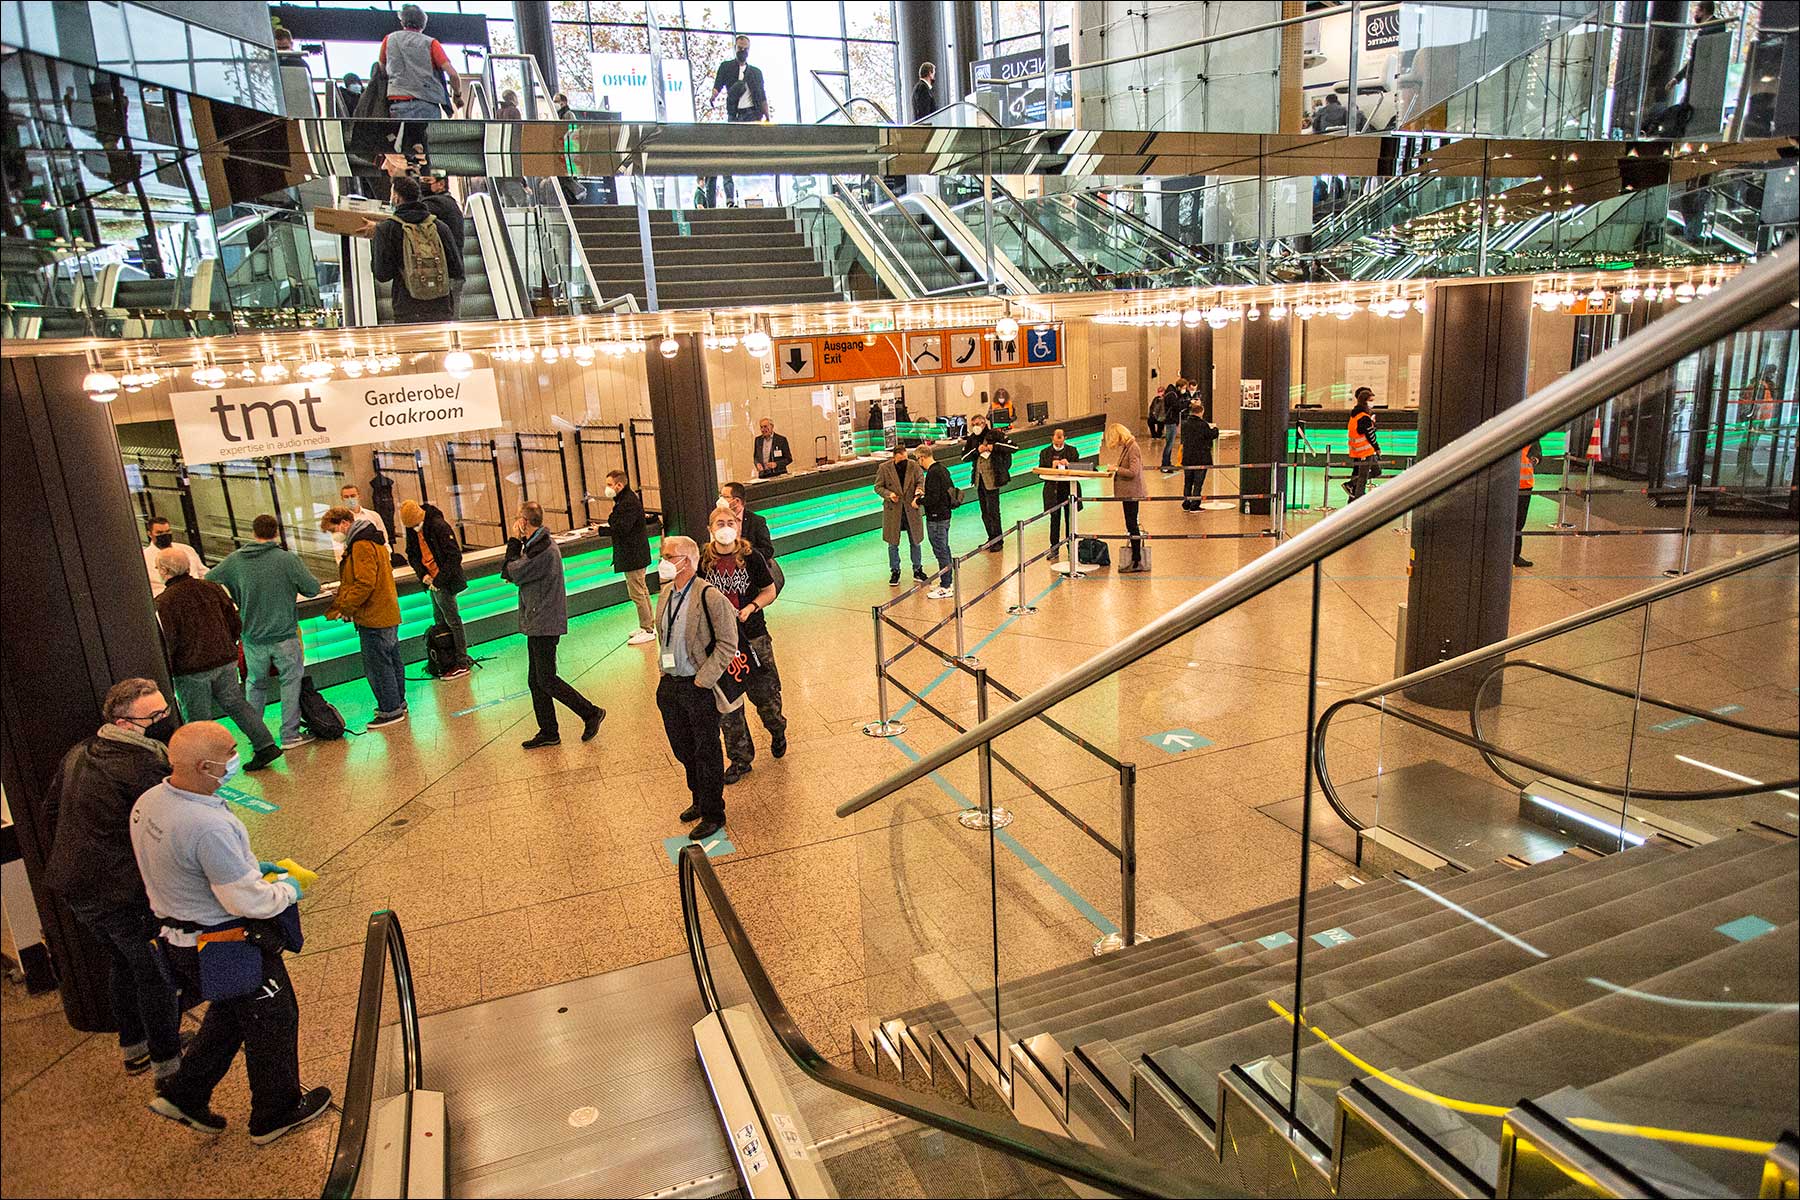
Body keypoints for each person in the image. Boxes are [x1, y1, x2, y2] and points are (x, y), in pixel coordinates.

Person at [132, 721, 331, 1143]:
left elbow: (181, 864)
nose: (236, 757)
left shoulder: (150, 802)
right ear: (205, 766)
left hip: (179, 940)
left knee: (231, 1013)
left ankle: (185, 1093)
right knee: (273, 1017)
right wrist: (288, 889)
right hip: (226, 944)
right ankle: (274, 1114)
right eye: (230, 752)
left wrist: (247, 870)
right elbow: (248, 903)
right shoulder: (207, 825)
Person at [43, 678, 182, 1081]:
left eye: (164, 711)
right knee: (155, 972)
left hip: (75, 886)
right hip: (120, 892)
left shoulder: (79, 753)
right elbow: (168, 826)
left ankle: (134, 1047)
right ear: (124, 723)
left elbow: (51, 810)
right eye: (154, 717)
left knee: (123, 964)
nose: (163, 721)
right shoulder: (144, 765)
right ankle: (167, 1065)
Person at [153, 551, 282, 771]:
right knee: (237, 704)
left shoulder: (164, 602)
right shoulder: (212, 588)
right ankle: (265, 744)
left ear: (165, 571)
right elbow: (234, 621)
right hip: (224, 659)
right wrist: (229, 644)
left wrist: (169, 667)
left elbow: (169, 639)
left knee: (198, 718)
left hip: (191, 668)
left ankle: (203, 765)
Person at [208, 516, 323, 750]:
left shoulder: (235, 561)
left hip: (251, 636)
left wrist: (234, 598)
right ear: (276, 533)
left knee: (255, 685)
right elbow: (312, 589)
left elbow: (208, 580)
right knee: (290, 683)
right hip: (284, 634)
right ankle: (290, 735)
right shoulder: (287, 560)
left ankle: (258, 737)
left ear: (253, 532)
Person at [654, 536, 740, 841]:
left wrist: (703, 679)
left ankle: (713, 812)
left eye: (667, 555)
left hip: (697, 685)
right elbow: (662, 634)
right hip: (669, 686)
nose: (662, 560)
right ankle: (698, 798)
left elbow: (729, 643)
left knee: (706, 751)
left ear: (686, 561)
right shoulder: (666, 593)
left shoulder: (709, 596)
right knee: (683, 749)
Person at [504, 502, 606, 749]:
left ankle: (590, 712)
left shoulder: (543, 550)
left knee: (546, 678)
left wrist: (513, 543)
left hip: (544, 621)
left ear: (524, 522)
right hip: (538, 619)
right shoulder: (538, 545)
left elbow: (512, 571)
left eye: (518, 519)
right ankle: (548, 730)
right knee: (535, 679)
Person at [701, 508, 787, 783]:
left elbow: (769, 590)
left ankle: (777, 729)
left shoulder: (752, 557)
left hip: (753, 637)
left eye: (731, 523)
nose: (725, 527)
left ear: (738, 526)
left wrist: (752, 607)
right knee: (728, 704)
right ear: (710, 528)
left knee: (765, 695)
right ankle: (740, 758)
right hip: (721, 645)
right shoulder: (703, 561)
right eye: (720, 523)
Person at [318, 506, 408, 729]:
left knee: (379, 665)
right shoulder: (373, 540)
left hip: (373, 615)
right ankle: (398, 702)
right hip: (386, 611)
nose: (334, 536)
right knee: (392, 660)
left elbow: (364, 583)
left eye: (333, 530)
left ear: (344, 524)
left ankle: (390, 710)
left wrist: (345, 607)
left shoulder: (360, 545)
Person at [371, 173, 463, 325]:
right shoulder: (440, 227)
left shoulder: (386, 229)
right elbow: (456, 270)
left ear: (396, 197)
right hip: (441, 308)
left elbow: (382, 274)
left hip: (406, 309)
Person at [398, 499, 471, 678]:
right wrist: (423, 575)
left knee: (452, 620)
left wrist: (438, 581)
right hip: (430, 580)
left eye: (415, 525)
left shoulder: (438, 525)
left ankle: (461, 661)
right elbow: (412, 554)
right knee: (439, 619)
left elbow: (454, 557)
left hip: (443, 581)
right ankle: (447, 657)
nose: (414, 529)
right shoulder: (412, 528)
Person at [707, 34, 769, 207]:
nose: (742, 51)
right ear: (735, 48)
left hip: (751, 115)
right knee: (727, 155)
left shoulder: (755, 73)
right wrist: (713, 96)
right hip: (735, 114)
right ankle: (729, 198)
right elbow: (718, 84)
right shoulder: (727, 67)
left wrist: (768, 116)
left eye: (745, 49)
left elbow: (762, 95)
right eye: (740, 48)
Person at [378, 3, 464, 122]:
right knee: (427, 139)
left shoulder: (389, 40)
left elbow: (381, 70)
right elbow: (453, 75)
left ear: (402, 22)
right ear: (423, 24)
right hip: (427, 104)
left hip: (398, 103)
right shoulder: (431, 43)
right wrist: (457, 96)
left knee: (403, 139)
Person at [599, 471, 657, 646]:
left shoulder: (627, 503)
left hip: (633, 555)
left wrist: (603, 530)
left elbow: (621, 527)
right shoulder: (624, 501)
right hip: (634, 554)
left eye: (610, 484)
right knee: (641, 590)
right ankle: (647, 624)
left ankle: (648, 629)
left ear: (619, 485)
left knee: (638, 593)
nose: (607, 488)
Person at [874, 444, 927, 587]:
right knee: (893, 543)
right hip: (894, 510)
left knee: (915, 541)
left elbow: (920, 481)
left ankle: (917, 569)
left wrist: (919, 490)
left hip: (911, 508)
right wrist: (889, 495)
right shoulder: (884, 468)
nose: (903, 462)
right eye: (900, 459)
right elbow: (878, 487)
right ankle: (895, 570)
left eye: (905, 458)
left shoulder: (914, 466)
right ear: (894, 458)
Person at [964, 414, 1018, 553]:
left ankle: (998, 540)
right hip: (979, 480)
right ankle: (990, 537)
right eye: (973, 424)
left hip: (993, 479)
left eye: (978, 423)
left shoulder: (995, 434)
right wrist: (977, 450)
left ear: (984, 423)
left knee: (994, 511)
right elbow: (964, 456)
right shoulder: (972, 439)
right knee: (984, 512)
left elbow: (1014, 447)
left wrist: (993, 447)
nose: (976, 426)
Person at [1104, 423, 1149, 573]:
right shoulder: (1128, 447)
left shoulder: (1133, 447)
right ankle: (1135, 558)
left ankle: (1136, 560)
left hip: (1132, 493)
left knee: (1132, 525)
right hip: (1127, 493)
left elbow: (1133, 472)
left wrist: (1116, 469)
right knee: (1130, 524)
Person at [920, 443, 958, 598]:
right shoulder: (943, 469)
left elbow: (933, 498)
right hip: (945, 514)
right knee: (944, 547)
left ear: (922, 457)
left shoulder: (932, 473)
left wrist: (920, 500)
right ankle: (946, 579)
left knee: (940, 549)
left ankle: (946, 585)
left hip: (936, 517)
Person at [1039, 427, 1080, 561]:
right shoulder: (1044, 453)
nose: (1058, 439)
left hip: (1068, 490)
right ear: (1052, 437)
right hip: (1053, 491)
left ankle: (1071, 547)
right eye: (1056, 436)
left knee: (1070, 520)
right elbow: (1040, 471)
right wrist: (1051, 467)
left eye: (1061, 436)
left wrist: (1069, 465)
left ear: (1065, 438)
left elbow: (1080, 467)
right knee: (1054, 520)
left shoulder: (1072, 451)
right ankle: (1054, 548)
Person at [143, 515, 205, 597]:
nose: (165, 535)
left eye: (168, 531)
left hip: (196, 594)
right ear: (150, 534)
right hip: (165, 599)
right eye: (159, 533)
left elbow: (203, 573)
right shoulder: (144, 558)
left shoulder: (187, 549)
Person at [721, 482, 777, 563]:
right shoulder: (719, 519)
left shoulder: (756, 521)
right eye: (721, 496)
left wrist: (745, 554)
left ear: (737, 501)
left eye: (725, 497)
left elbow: (767, 550)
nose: (721, 500)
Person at [1180, 403, 1219, 511]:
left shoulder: (1185, 424)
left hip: (1188, 457)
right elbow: (1211, 435)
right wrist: (1216, 429)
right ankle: (1195, 504)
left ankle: (1186, 502)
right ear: (1200, 412)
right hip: (1201, 457)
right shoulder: (1202, 424)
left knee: (1188, 482)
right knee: (1198, 483)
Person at [1344, 388, 1381, 500]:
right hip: (1364, 451)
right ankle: (1357, 497)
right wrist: (1377, 447)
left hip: (1362, 450)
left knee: (1377, 471)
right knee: (1363, 477)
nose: (1372, 403)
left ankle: (1351, 485)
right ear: (1365, 401)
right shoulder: (1363, 417)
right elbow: (1369, 434)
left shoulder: (1356, 415)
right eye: (1371, 400)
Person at [1515, 442, 1541, 569]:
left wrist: (1536, 459)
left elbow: (1538, 454)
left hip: (1525, 485)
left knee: (1519, 522)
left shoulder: (1532, 436)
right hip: (1509, 485)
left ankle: (1515, 555)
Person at [1161, 381, 1191, 473]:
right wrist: (1188, 403)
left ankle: (1168, 463)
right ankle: (1165, 465)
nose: (1184, 390)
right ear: (1179, 387)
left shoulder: (1173, 393)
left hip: (1172, 421)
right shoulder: (1171, 395)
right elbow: (1177, 407)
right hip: (1171, 421)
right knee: (1169, 444)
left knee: (1170, 443)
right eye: (1184, 388)